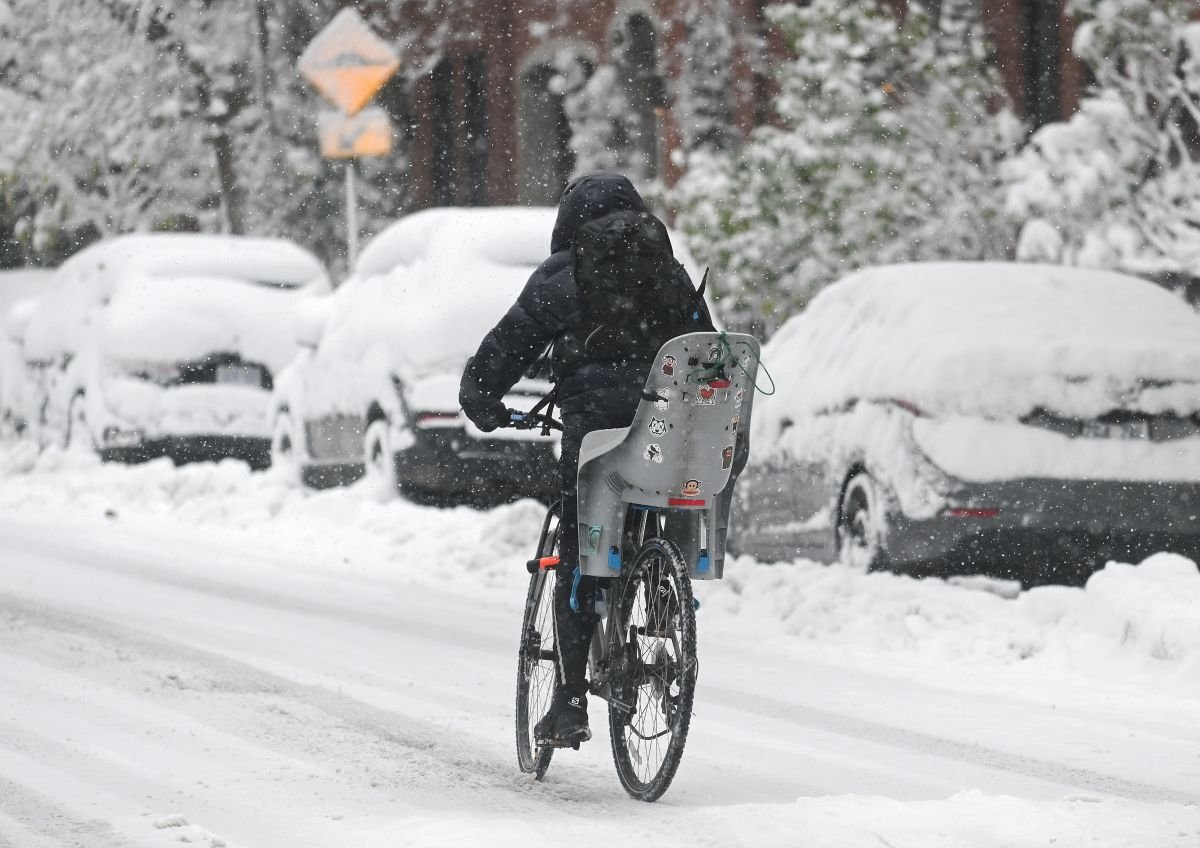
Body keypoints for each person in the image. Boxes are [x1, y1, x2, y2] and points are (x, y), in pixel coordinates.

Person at [459, 172, 713, 746]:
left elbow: (509, 344)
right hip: (664, 431)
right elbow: (705, 351)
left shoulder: (563, 274)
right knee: (656, 493)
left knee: (580, 540)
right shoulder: (667, 272)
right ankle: (663, 584)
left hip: (596, 435)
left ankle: (570, 699)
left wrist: (481, 396)